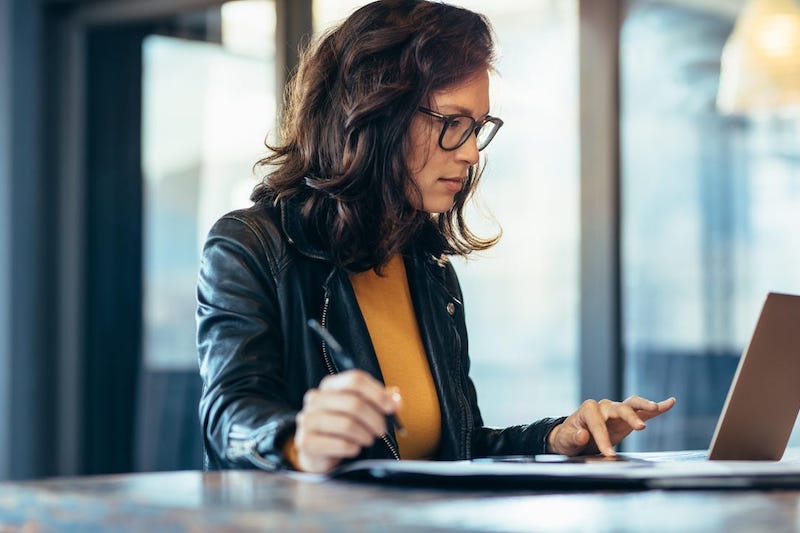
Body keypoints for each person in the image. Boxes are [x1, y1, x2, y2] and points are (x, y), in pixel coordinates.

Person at [197, 0, 675, 474]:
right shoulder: (249, 246)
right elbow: (228, 419)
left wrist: (557, 437)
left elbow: (457, 448)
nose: (470, 152)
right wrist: (299, 442)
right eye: (452, 124)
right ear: (376, 113)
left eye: (477, 128)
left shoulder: (427, 266)